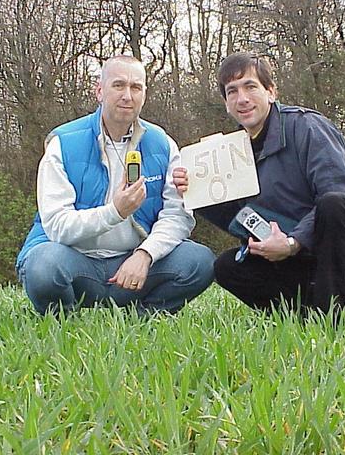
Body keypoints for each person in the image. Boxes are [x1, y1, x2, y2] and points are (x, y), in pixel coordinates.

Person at [173, 52, 345, 323]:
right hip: (300, 259)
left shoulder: (308, 127)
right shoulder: (230, 153)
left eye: (250, 87)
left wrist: (293, 242)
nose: (242, 98)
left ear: (271, 92)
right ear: (226, 104)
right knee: (227, 267)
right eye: (232, 91)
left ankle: (332, 323)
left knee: (334, 203)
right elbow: (240, 218)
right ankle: (304, 319)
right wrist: (197, 191)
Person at [16, 55, 215, 316]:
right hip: (74, 261)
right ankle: (63, 321)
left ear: (144, 93)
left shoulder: (162, 144)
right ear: (100, 91)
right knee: (43, 266)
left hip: (133, 264)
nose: (127, 96)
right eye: (118, 85)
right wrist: (115, 212)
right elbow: (57, 227)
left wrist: (145, 255)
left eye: (136, 87)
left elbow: (178, 216)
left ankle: (145, 319)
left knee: (200, 262)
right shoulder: (63, 143)